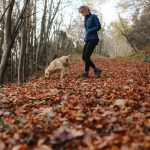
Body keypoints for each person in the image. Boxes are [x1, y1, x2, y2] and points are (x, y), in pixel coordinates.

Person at [79, 5, 102, 78]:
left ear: (86, 10)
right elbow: (87, 30)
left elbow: (98, 26)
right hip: (88, 39)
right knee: (83, 57)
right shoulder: (85, 19)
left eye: (82, 12)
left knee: (87, 56)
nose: (82, 14)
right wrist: (86, 37)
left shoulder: (93, 16)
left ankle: (86, 73)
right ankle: (96, 69)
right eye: (81, 13)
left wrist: (90, 31)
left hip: (94, 39)